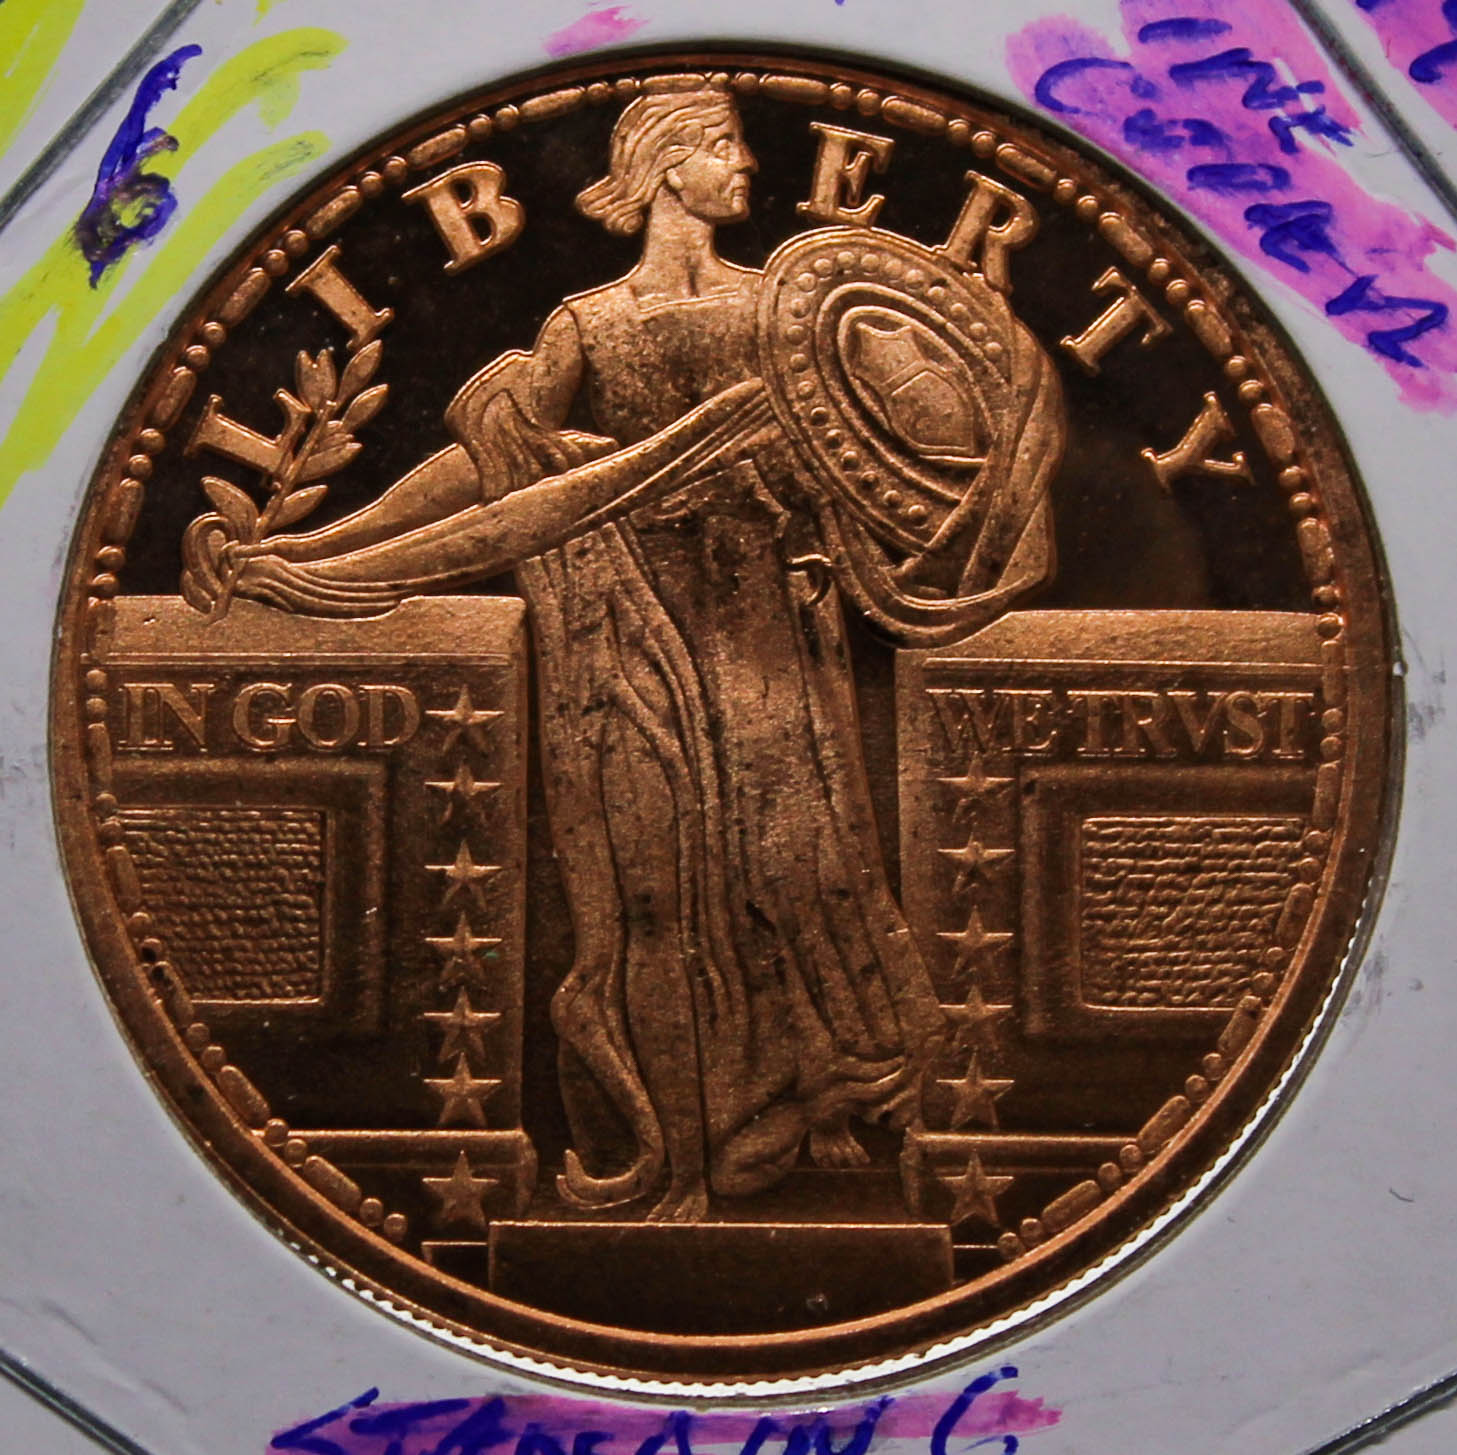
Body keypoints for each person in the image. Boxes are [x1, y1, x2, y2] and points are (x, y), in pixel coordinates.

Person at [185, 87, 1057, 1222]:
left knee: (795, 876)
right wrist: (322, 550)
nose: (746, 169)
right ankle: (671, 1156)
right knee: (651, 897)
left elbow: (898, 456)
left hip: (770, 643)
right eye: (723, 149)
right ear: (666, 166)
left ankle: (804, 1101)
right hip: (624, 646)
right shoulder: (585, 326)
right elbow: (493, 478)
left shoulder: (785, 315)